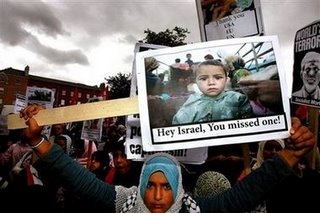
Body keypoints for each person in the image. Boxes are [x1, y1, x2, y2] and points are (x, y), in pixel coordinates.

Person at [19, 104, 315, 212]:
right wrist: (38, 140)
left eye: (166, 187)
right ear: (142, 185)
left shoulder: (194, 210)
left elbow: (243, 195)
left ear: (179, 190)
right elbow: (79, 179)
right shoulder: (125, 205)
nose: (158, 196)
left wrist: (290, 154)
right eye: (151, 186)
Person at [172, 59, 253, 124]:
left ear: (226, 79)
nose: (211, 83)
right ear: (196, 81)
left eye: (218, 78)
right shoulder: (192, 102)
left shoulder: (238, 99)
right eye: (203, 79)